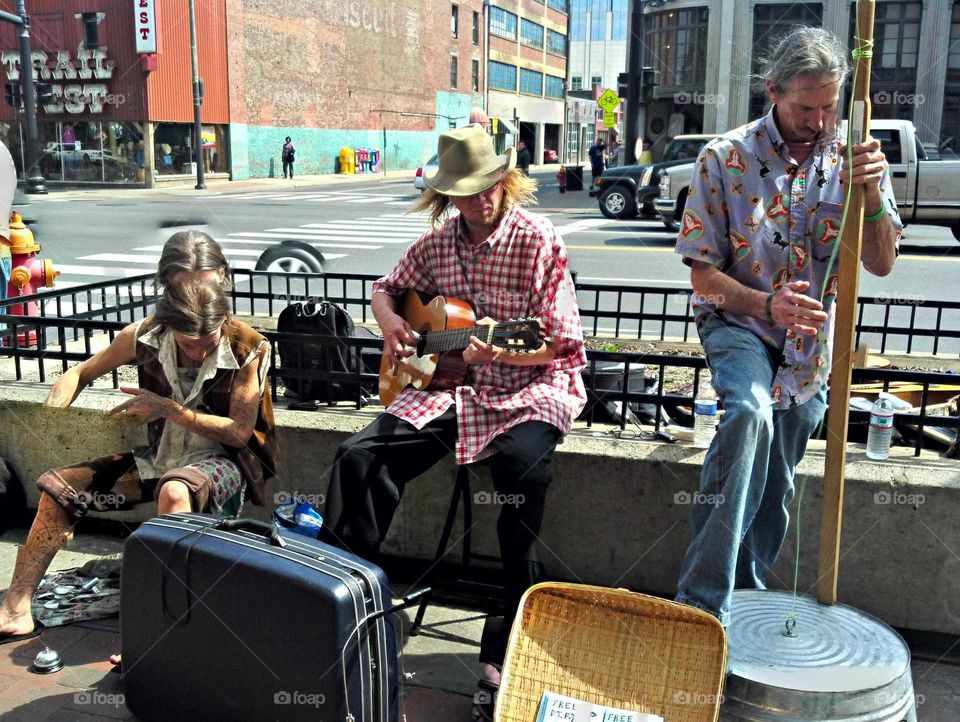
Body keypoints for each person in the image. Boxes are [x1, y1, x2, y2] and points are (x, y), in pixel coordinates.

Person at [321, 124, 586, 718]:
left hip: (529, 387)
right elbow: (386, 290)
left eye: (487, 185)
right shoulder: (437, 242)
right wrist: (392, 324)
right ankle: (343, 604)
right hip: (453, 387)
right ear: (446, 195)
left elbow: (562, 344)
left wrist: (505, 352)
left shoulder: (539, 241)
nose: (479, 200)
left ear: (505, 178)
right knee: (359, 456)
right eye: (464, 191)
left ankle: (505, 641)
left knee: (524, 473)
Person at [673, 27, 901, 626]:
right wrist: (766, 305)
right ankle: (700, 608)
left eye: (830, 106)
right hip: (740, 324)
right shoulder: (723, 158)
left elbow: (880, 261)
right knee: (748, 414)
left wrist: (872, 195)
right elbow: (703, 276)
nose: (820, 121)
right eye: (806, 106)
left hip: (810, 347)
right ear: (772, 91)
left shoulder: (854, 157)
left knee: (776, 480)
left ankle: (745, 596)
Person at [0, 233, 277, 651]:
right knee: (59, 488)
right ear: (169, 295)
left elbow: (240, 432)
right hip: (160, 456)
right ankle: (16, 607)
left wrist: (172, 410)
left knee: (174, 490)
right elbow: (83, 372)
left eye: (208, 285)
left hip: (224, 463)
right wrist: (58, 398)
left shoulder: (248, 346)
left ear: (223, 282)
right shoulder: (145, 335)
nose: (200, 352)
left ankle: (159, 631)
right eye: (189, 344)